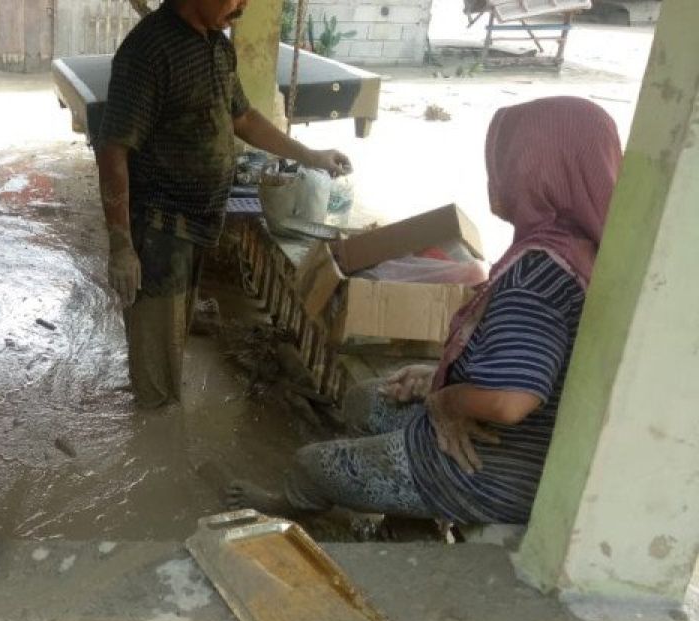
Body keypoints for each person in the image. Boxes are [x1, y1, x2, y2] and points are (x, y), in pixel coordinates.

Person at [225, 97, 622, 526]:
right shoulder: (580, 248)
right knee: (363, 399)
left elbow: (508, 402)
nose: (494, 174)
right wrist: (439, 376)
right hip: (523, 450)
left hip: (486, 469)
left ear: (534, 169)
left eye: (503, 158)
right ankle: (388, 502)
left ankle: (306, 506)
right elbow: (525, 363)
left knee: (309, 465)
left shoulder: (537, 275)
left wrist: (446, 400)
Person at [96, 0, 352, 409]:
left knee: (171, 347)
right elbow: (113, 150)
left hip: (197, 223)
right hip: (159, 229)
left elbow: (243, 117)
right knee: (156, 383)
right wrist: (121, 245)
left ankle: (165, 428)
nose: (243, 7)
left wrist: (311, 155)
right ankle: (158, 448)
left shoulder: (216, 43)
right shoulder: (148, 51)